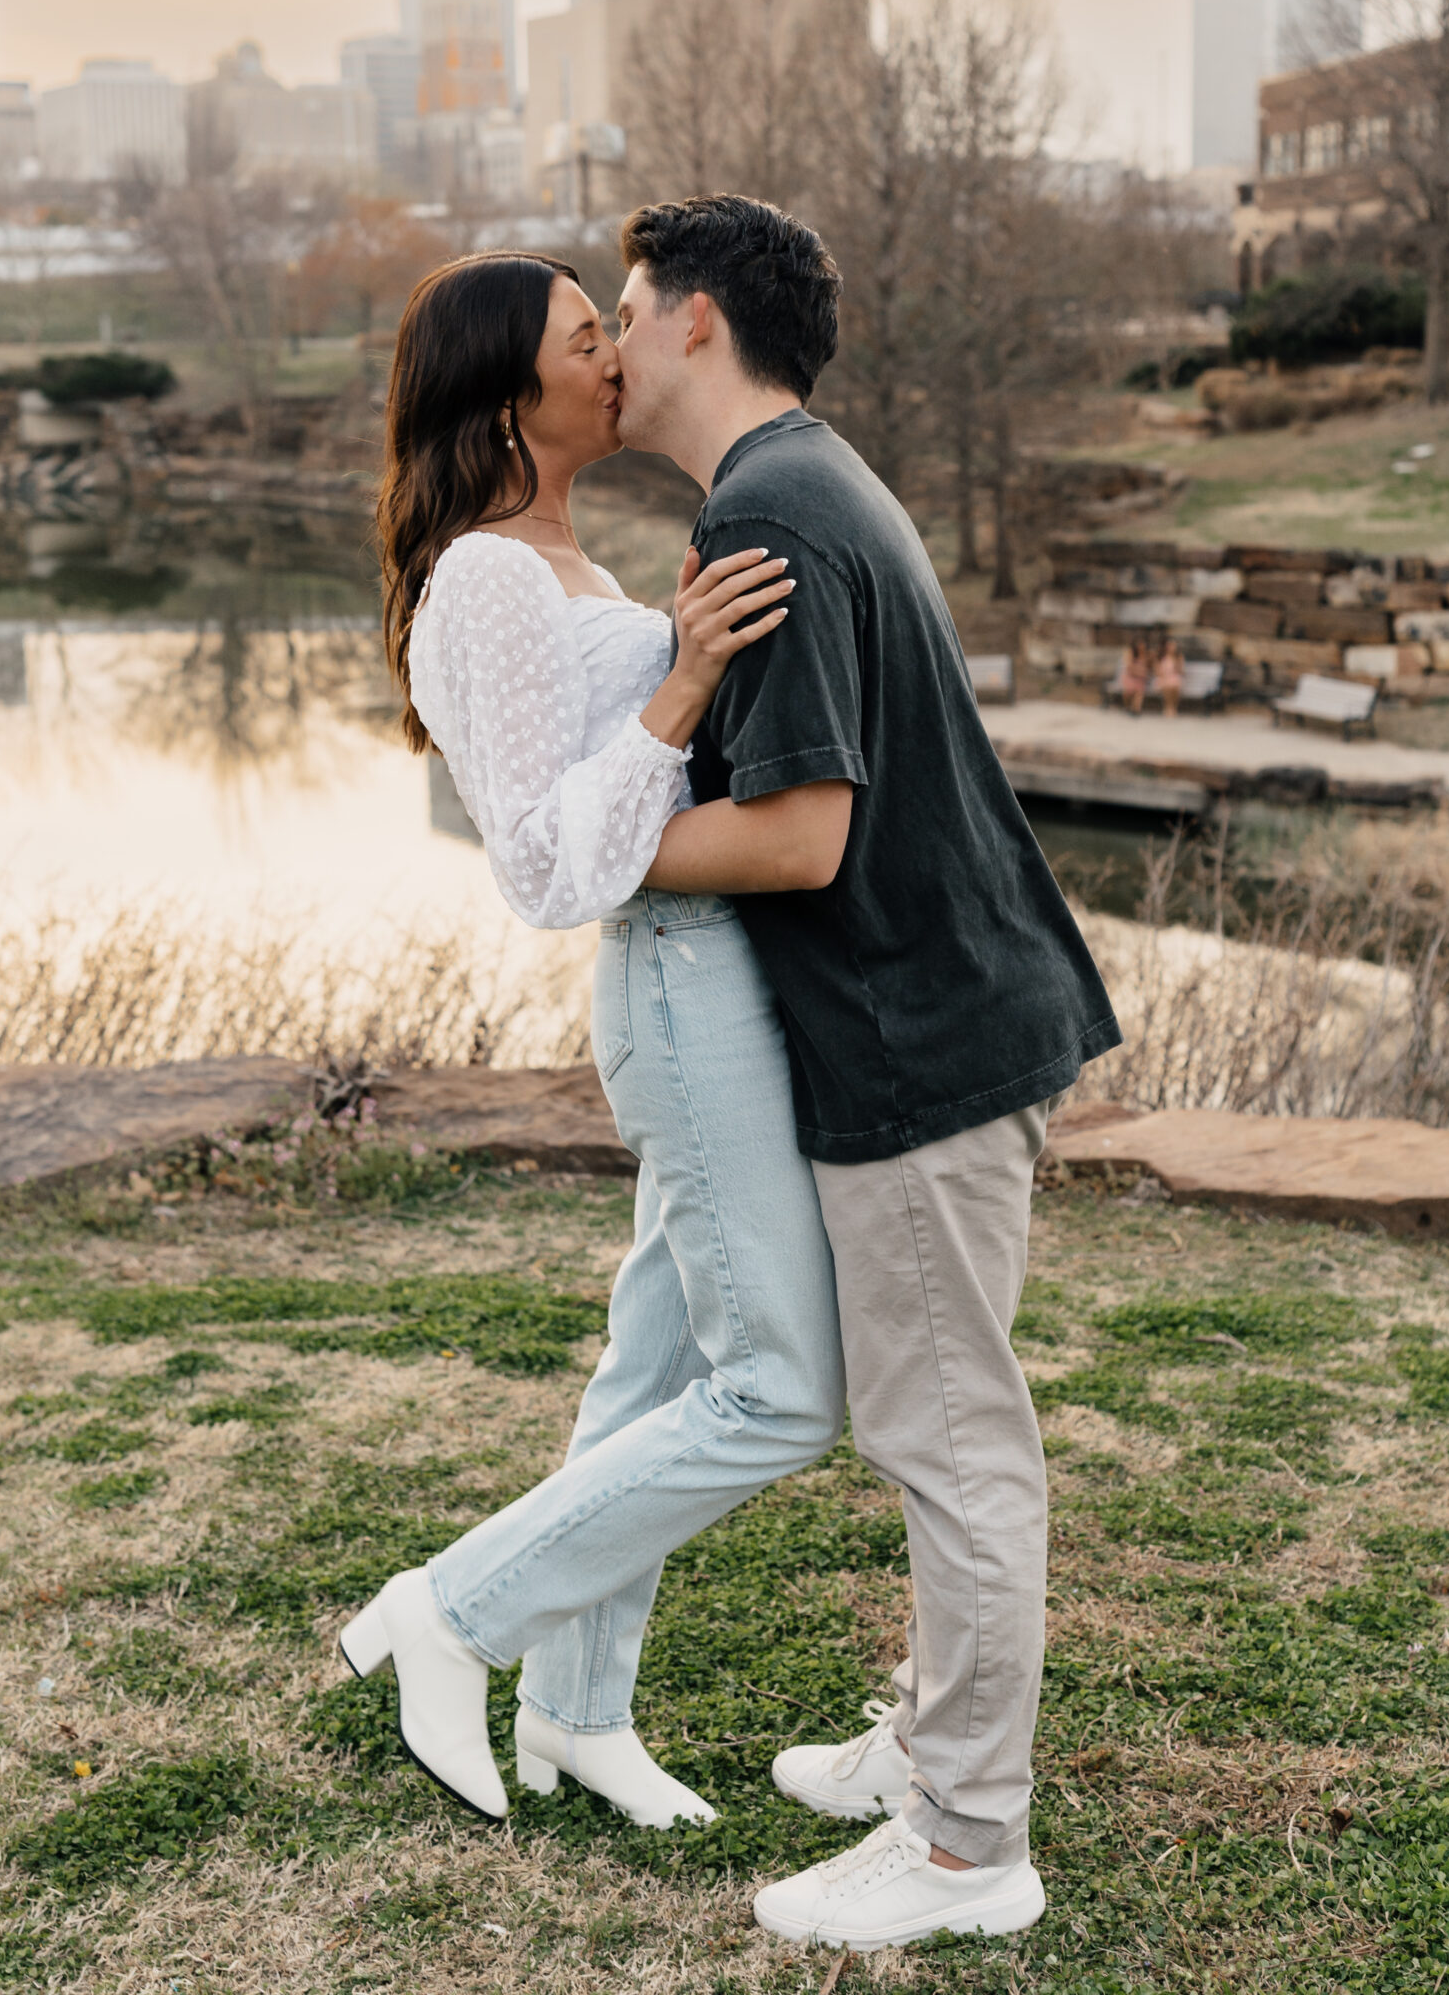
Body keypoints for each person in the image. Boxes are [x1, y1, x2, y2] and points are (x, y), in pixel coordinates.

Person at [610, 195, 1121, 1952]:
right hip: (951, 1018)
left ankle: (969, 1847)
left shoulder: (773, 511)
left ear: (692, 320)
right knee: (937, 1428)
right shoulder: (797, 482)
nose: (604, 339)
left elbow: (805, 837)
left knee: (952, 1440)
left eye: (622, 304)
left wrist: (584, 859)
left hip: (926, 1038)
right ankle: (928, 1746)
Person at [347, 250, 848, 1832]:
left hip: (715, 968)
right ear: (511, 393)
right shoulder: (485, 579)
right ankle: (454, 1612)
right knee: (776, 1387)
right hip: (669, 980)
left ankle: (575, 1711)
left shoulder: (566, 557)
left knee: (655, 1370)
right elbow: (543, 864)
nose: (616, 363)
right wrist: (686, 675)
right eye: (586, 343)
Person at [1119, 635, 1151, 715]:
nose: (1141, 646)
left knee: (1139, 689)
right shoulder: (1130, 653)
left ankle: (1136, 709)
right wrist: (1140, 673)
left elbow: (1150, 668)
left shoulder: (1148, 655)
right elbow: (1130, 668)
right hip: (1131, 676)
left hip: (1141, 679)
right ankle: (1129, 706)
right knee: (1129, 689)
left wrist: (1144, 674)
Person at [1156, 633, 1185, 718]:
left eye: (1173, 645)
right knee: (1167, 685)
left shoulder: (1178, 656)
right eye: (1170, 645)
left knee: (1175, 684)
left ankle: (1173, 707)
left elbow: (1181, 671)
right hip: (1163, 677)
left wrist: (1176, 662)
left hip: (1174, 677)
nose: (1172, 647)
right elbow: (1157, 671)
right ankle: (1168, 706)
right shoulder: (1161, 656)